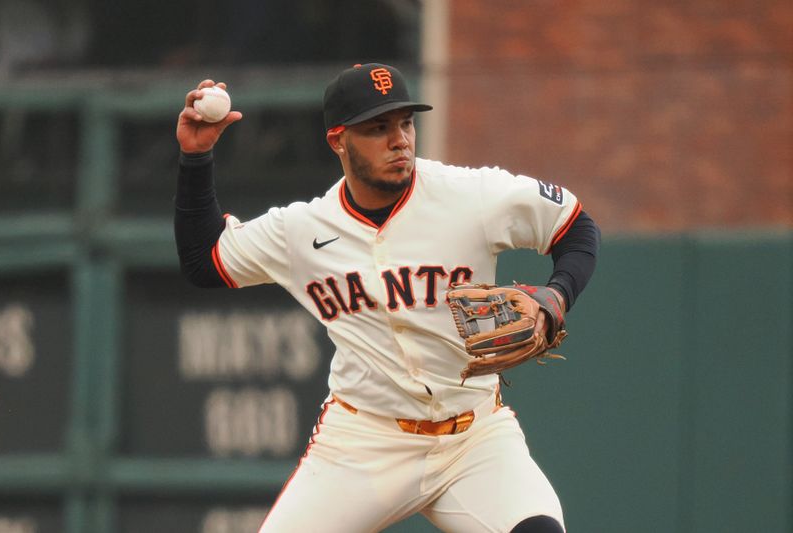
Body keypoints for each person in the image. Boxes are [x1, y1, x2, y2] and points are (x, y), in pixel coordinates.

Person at [174, 63, 600, 533]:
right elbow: (206, 262)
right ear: (338, 140)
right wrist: (196, 157)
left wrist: (555, 297)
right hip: (363, 443)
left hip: (474, 438)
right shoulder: (303, 230)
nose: (399, 140)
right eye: (378, 128)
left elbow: (575, 227)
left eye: (405, 122)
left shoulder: (470, 195)